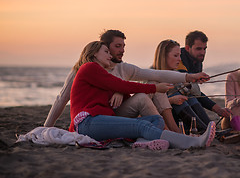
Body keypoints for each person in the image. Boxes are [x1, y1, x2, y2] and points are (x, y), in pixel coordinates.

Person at [44, 30, 209, 134]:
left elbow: (155, 74)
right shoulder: (83, 69)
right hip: (98, 118)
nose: (122, 50)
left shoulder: (124, 68)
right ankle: (171, 134)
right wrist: (45, 129)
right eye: (117, 46)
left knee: (151, 84)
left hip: (116, 113)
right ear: (104, 48)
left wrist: (188, 77)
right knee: (151, 88)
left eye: (123, 45)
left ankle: (171, 132)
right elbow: (61, 99)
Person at [70, 41, 216, 150]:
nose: (110, 55)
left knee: (155, 119)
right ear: (94, 53)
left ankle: (143, 142)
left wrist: (120, 91)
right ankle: (191, 142)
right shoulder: (89, 67)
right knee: (141, 124)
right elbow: (121, 85)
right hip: (87, 122)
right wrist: (155, 88)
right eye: (106, 52)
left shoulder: (101, 72)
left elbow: (122, 88)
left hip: (101, 119)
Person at [151, 39, 212, 133]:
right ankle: (203, 130)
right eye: (175, 56)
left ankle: (208, 128)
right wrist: (171, 100)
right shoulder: (152, 77)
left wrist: (190, 83)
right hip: (163, 120)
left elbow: (196, 93)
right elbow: (148, 106)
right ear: (164, 57)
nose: (179, 59)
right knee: (176, 99)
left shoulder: (176, 74)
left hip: (179, 119)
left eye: (180, 55)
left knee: (189, 97)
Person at [177, 30, 231, 122]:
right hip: (174, 98)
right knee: (192, 99)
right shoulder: (179, 59)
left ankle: (207, 127)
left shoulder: (197, 62)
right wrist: (217, 109)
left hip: (186, 98)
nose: (202, 52)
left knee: (193, 98)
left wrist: (218, 109)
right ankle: (207, 127)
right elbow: (191, 91)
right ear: (187, 48)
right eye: (198, 49)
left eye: (204, 49)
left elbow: (195, 92)